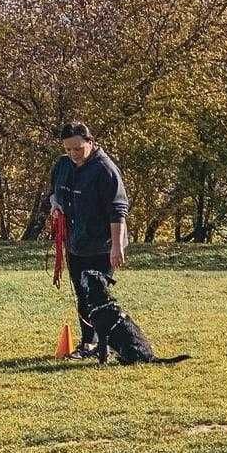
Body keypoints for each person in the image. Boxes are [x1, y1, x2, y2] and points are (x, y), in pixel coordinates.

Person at [48, 121, 129, 359]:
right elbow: (55, 194)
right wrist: (56, 208)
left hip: (102, 246)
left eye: (77, 148)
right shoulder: (62, 166)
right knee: (82, 296)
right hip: (75, 243)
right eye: (68, 149)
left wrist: (116, 246)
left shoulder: (105, 170)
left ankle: (101, 344)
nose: (72, 154)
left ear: (90, 142)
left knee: (97, 297)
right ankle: (90, 342)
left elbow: (118, 211)